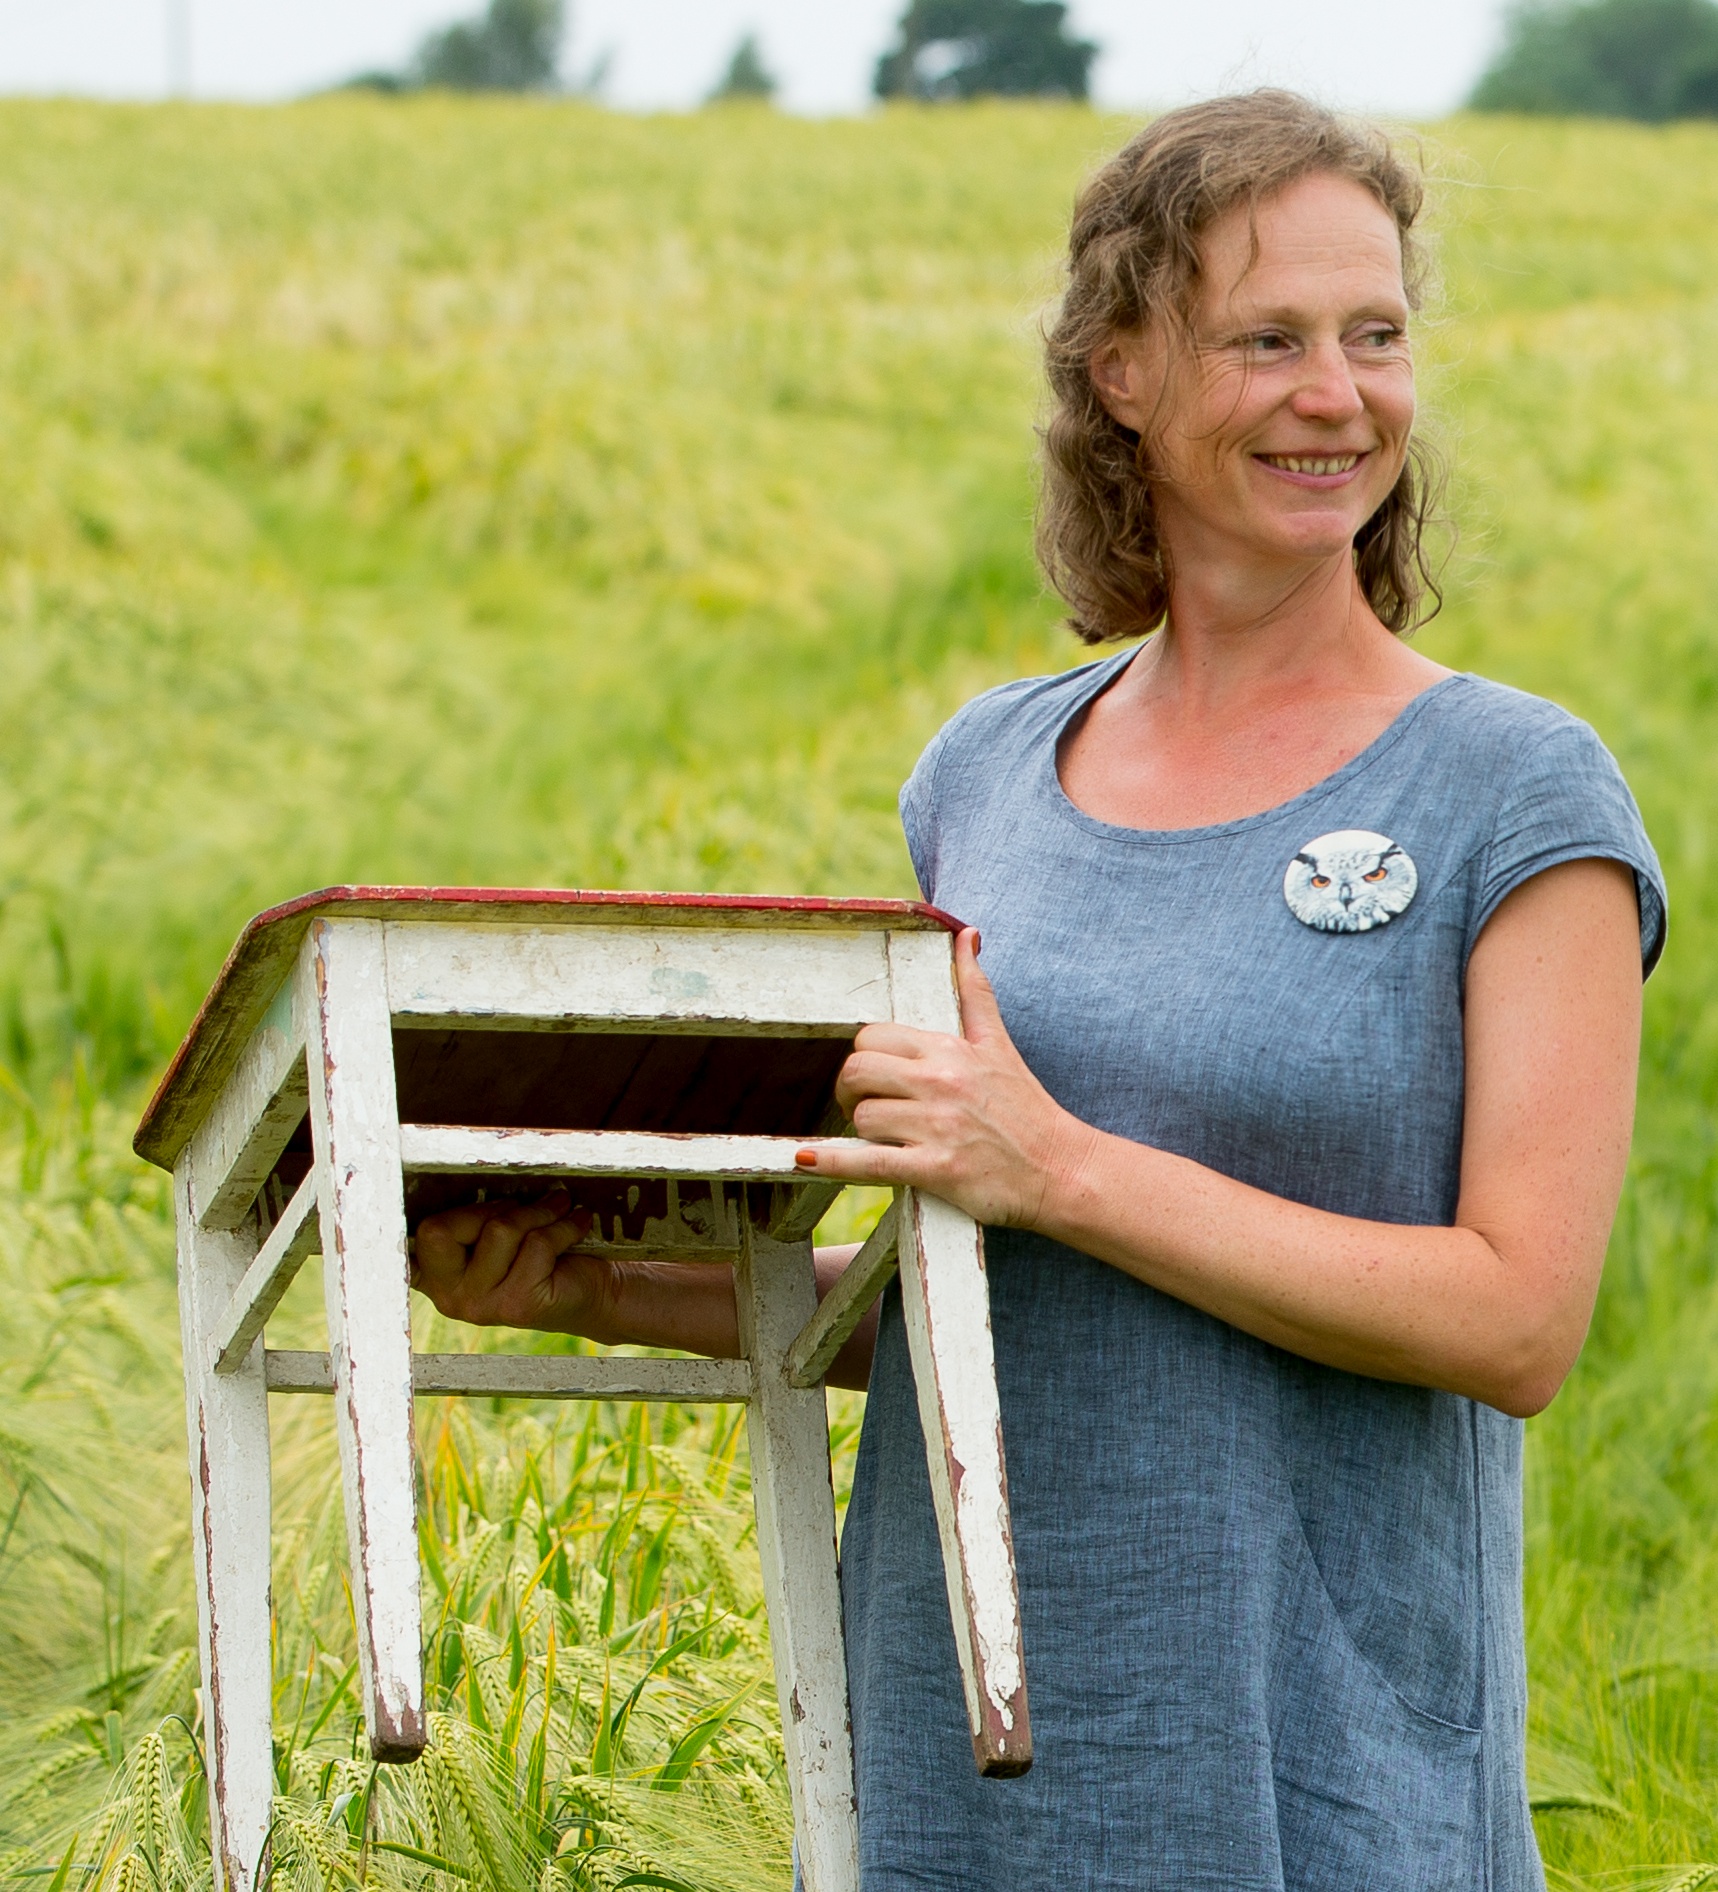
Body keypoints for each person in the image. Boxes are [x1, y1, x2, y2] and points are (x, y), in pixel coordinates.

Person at [412, 91, 1665, 1890]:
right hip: (976, 1741)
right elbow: (970, 1286)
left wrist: (1054, 1163)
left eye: (1375, 336)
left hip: (1306, 1768)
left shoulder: (1512, 795)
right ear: (1123, 372)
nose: (1340, 395)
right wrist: (600, 1285)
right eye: (1269, 340)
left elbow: (1514, 1319)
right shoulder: (982, 777)